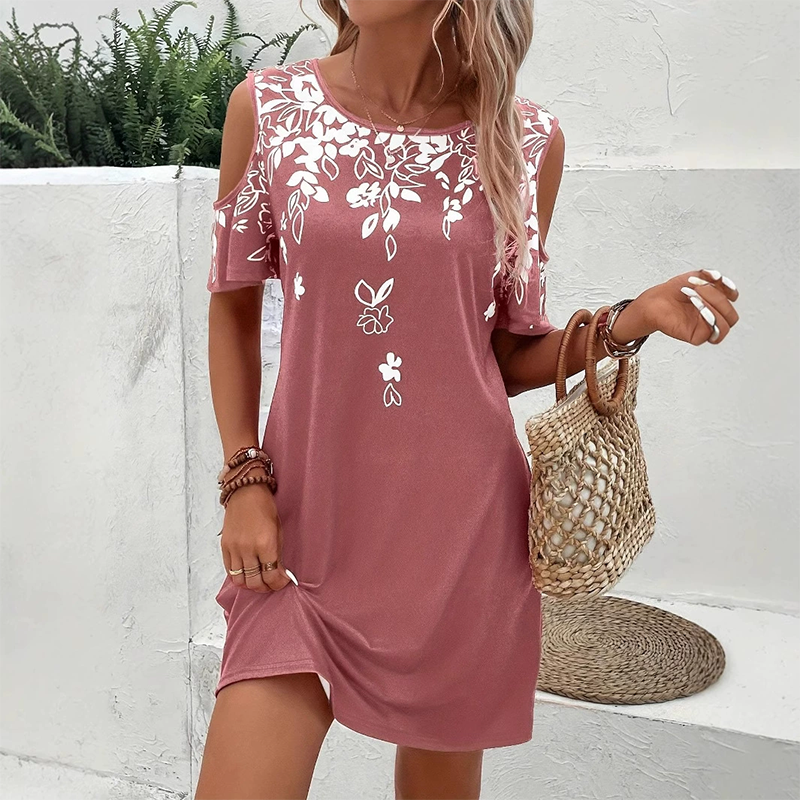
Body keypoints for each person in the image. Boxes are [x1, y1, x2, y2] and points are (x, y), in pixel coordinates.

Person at [194, 2, 740, 798]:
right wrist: (245, 477)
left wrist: (631, 321)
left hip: (459, 542)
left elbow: (503, 357)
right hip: (306, 531)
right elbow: (234, 305)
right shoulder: (271, 109)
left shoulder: (525, 142)